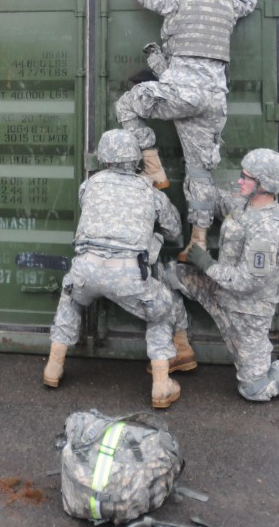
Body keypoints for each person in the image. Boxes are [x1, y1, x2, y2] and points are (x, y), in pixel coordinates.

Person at [171, 149, 279, 401]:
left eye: (247, 177)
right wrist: (196, 179)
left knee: (255, 389)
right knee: (168, 274)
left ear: (265, 186)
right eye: (242, 174)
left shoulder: (269, 229)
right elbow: (217, 201)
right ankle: (178, 347)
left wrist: (206, 263)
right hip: (219, 291)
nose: (240, 180)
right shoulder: (243, 204)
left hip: (246, 312)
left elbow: (247, 282)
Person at [115, 0, 256, 259]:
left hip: (179, 94)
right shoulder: (229, 3)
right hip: (214, 101)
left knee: (126, 104)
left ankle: (154, 168)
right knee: (200, 173)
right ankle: (199, 242)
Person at [42, 129, 190, 409]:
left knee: (70, 299)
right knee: (162, 311)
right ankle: (161, 385)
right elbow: (174, 231)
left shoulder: (89, 185)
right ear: (135, 158)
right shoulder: (149, 191)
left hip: (86, 268)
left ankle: (53, 367)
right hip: (129, 275)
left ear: (104, 157)